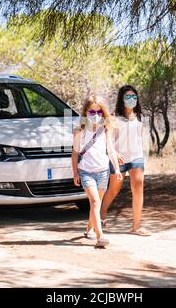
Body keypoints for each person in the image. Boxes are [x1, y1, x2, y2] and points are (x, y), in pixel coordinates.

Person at [72, 95, 123, 248]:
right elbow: (74, 153)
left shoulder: (105, 128)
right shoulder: (80, 129)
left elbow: (111, 150)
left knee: (96, 204)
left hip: (103, 171)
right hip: (86, 171)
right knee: (94, 202)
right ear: (86, 112)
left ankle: (89, 230)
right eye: (91, 112)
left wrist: (117, 169)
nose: (95, 115)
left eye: (99, 112)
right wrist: (75, 173)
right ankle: (100, 237)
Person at [100, 85, 151, 236]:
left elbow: (140, 138)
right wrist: (114, 154)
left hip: (136, 157)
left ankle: (136, 226)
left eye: (134, 96)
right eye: (128, 97)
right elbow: (107, 139)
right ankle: (101, 215)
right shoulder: (113, 117)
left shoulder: (140, 116)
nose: (131, 99)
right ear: (122, 99)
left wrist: (143, 156)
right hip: (118, 159)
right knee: (114, 189)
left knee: (138, 186)